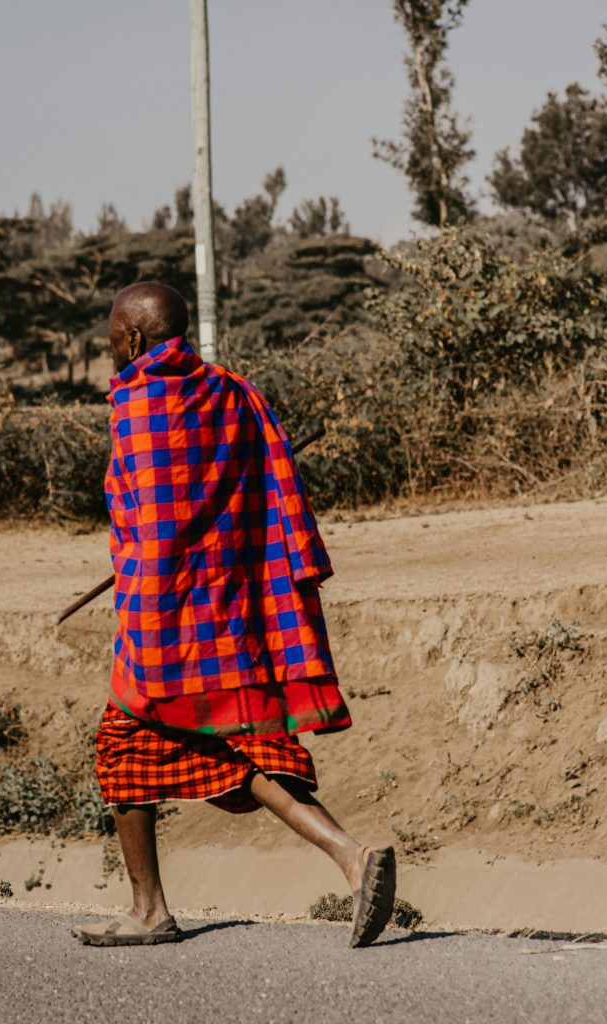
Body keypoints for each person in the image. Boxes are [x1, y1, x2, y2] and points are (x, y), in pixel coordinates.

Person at [73, 282, 395, 948]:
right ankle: (348, 855)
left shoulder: (138, 404)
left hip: (165, 614)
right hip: (230, 610)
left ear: (133, 338)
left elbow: (152, 528)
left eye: (111, 333)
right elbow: (250, 490)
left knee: (121, 745)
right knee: (238, 744)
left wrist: (140, 591)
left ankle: (149, 911)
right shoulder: (230, 391)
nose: (109, 344)